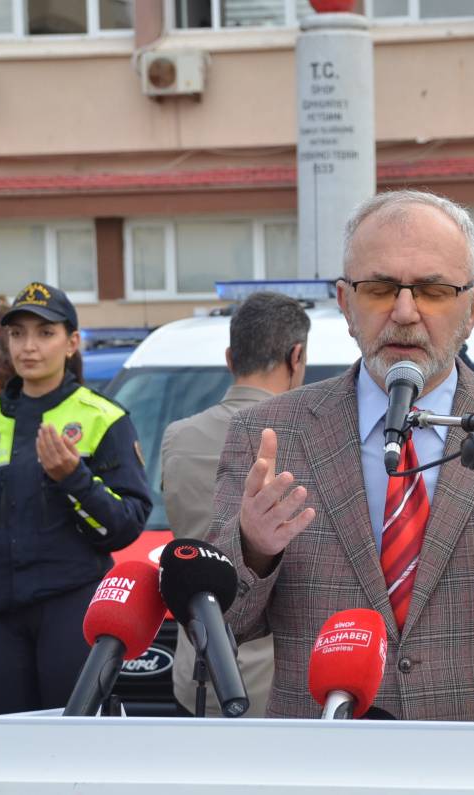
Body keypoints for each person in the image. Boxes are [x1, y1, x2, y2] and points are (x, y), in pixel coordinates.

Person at [205, 189, 474, 721]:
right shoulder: (267, 435)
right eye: (380, 287)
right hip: (323, 766)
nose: (405, 313)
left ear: (473, 308)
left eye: (433, 290)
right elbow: (216, 631)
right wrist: (252, 551)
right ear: (344, 303)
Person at [0, 282, 151, 716]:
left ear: (71, 343)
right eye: (18, 333)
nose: (29, 346)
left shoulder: (102, 418)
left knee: (69, 746)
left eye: (44, 333)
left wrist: (74, 479)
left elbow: (126, 524)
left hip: (70, 606)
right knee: (5, 738)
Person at [162, 291, 310, 717]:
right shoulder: (306, 438)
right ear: (295, 357)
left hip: (198, 657)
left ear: (230, 358)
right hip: (278, 665)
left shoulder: (178, 435)